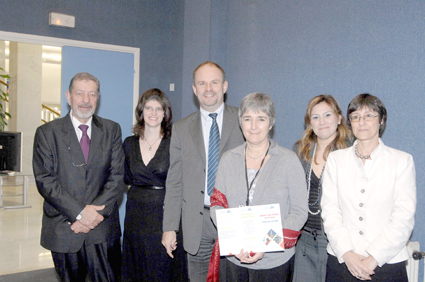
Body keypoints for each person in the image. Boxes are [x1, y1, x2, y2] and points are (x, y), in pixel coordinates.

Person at [32, 72, 124, 281]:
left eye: (92, 94)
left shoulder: (112, 130)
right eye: (80, 93)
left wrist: (91, 218)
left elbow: (117, 177)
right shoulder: (47, 133)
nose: (85, 100)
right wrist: (80, 214)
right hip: (65, 229)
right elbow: (45, 181)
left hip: (102, 230)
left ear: (98, 97)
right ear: (68, 96)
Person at [210, 92, 308, 281]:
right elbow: (217, 205)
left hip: (274, 262)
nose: (253, 126)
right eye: (248, 119)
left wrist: (265, 244)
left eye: (261, 119)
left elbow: (299, 212)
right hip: (234, 259)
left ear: (270, 123)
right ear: (241, 122)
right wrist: (236, 242)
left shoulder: (288, 160)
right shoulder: (228, 159)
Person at [162, 61, 244, 281]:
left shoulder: (244, 120)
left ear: (225, 86)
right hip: (196, 223)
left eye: (214, 82)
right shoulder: (180, 128)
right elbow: (175, 181)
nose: (209, 88)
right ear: (194, 89)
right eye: (202, 83)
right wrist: (169, 226)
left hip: (234, 219)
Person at [321, 93, 416, 281]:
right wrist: (347, 254)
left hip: (387, 263)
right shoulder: (336, 160)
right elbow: (330, 212)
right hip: (342, 261)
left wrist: (373, 258)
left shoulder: (401, 161)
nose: (361, 122)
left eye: (369, 116)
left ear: (381, 120)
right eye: (355, 117)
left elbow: (403, 217)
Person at [121, 88, 187, 281]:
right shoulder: (129, 143)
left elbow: (180, 182)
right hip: (135, 215)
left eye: (158, 108)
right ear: (141, 111)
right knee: (137, 267)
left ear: (165, 113)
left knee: (162, 269)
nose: (153, 113)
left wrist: (172, 228)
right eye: (148, 108)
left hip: (164, 213)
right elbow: (124, 178)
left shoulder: (174, 143)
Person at [292, 95, 352, 282]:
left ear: (339, 118)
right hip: (305, 241)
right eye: (315, 117)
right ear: (309, 122)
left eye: (328, 115)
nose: (322, 122)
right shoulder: (299, 151)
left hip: (338, 243)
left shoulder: (351, 153)